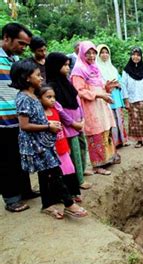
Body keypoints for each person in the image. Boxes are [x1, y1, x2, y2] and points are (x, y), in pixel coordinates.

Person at [11, 60, 87, 219]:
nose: (41, 78)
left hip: (43, 142)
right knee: (55, 172)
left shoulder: (33, 95)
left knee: (47, 173)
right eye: (37, 75)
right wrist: (47, 126)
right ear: (26, 78)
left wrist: (47, 124)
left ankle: (47, 205)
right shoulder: (24, 98)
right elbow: (24, 125)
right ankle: (69, 204)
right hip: (36, 144)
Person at [0, 22, 39, 213]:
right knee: (6, 161)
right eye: (21, 43)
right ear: (6, 37)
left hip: (18, 118)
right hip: (2, 121)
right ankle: (11, 198)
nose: (23, 48)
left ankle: (25, 190)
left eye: (25, 44)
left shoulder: (15, 59)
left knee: (20, 156)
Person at [71, 41, 119, 175]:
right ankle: (97, 165)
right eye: (88, 53)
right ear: (82, 54)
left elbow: (99, 85)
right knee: (95, 132)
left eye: (93, 53)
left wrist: (107, 88)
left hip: (101, 104)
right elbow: (79, 91)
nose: (92, 56)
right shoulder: (78, 70)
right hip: (90, 106)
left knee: (105, 128)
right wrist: (98, 95)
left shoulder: (95, 68)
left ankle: (107, 159)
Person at [45, 52, 92, 190]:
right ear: (55, 66)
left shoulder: (66, 82)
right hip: (69, 126)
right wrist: (73, 123)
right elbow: (59, 109)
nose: (67, 68)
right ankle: (79, 180)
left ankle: (82, 170)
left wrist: (82, 118)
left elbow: (76, 100)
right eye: (64, 65)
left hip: (78, 122)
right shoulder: (52, 86)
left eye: (68, 65)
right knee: (74, 152)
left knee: (82, 147)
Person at [39, 85, 82, 203]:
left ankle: (74, 192)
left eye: (54, 97)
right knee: (59, 173)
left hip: (62, 146)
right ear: (39, 99)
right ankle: (62, 196)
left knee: (70, 169)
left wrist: (66, 147)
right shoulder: (41, 115)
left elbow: (61, 130)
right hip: (53, 150)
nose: (52, 99)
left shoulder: (55, 110)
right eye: (48, 97)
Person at [96, 44, 128, 148]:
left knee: (119, 118)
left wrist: (118, 84)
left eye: (106, 53)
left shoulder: (112, 68)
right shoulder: (96, 68)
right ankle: (114, 142)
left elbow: (120, 81)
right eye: (102, 53)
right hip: (107, 96)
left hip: (116, 96)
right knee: (110, 118)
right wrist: (108, 86)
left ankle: (122, 140)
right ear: (98, 55)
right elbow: (98, 83)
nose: (105, 55)